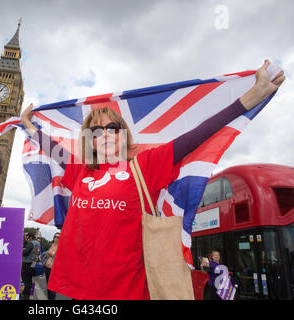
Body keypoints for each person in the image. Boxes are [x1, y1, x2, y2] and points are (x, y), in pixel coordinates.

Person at [21, 60, 285, 299]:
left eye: (112, 127)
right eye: (96, 130)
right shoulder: (80, 171)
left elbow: (198, 134)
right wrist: (29, 126)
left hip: (125, 291)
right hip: (70, 288)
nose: (105, 134)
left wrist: (252, 97)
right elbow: (51, 148)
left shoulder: (145, 166)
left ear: (123, 134)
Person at [21, 232, 39, 300]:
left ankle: (25, 295)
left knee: (26, 280)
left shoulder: (31, 243)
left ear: (30, 237)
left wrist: (22, 250)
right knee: (29, 280)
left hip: (27, 263)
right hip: (33, 263)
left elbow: (25, 253)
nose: (26, 238)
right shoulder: (37, 243)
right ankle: (27, 294)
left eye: (26, 237)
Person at [44, 232, 60, 300]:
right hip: (47, 267)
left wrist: (52, 253)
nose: (56, 238)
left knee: (53, 287)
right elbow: (47, 255)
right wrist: (48, 254)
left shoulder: (61, 246)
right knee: (48, 286)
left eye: (58, 237)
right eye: (55, 237)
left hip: (55, 269)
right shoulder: (51, 245)